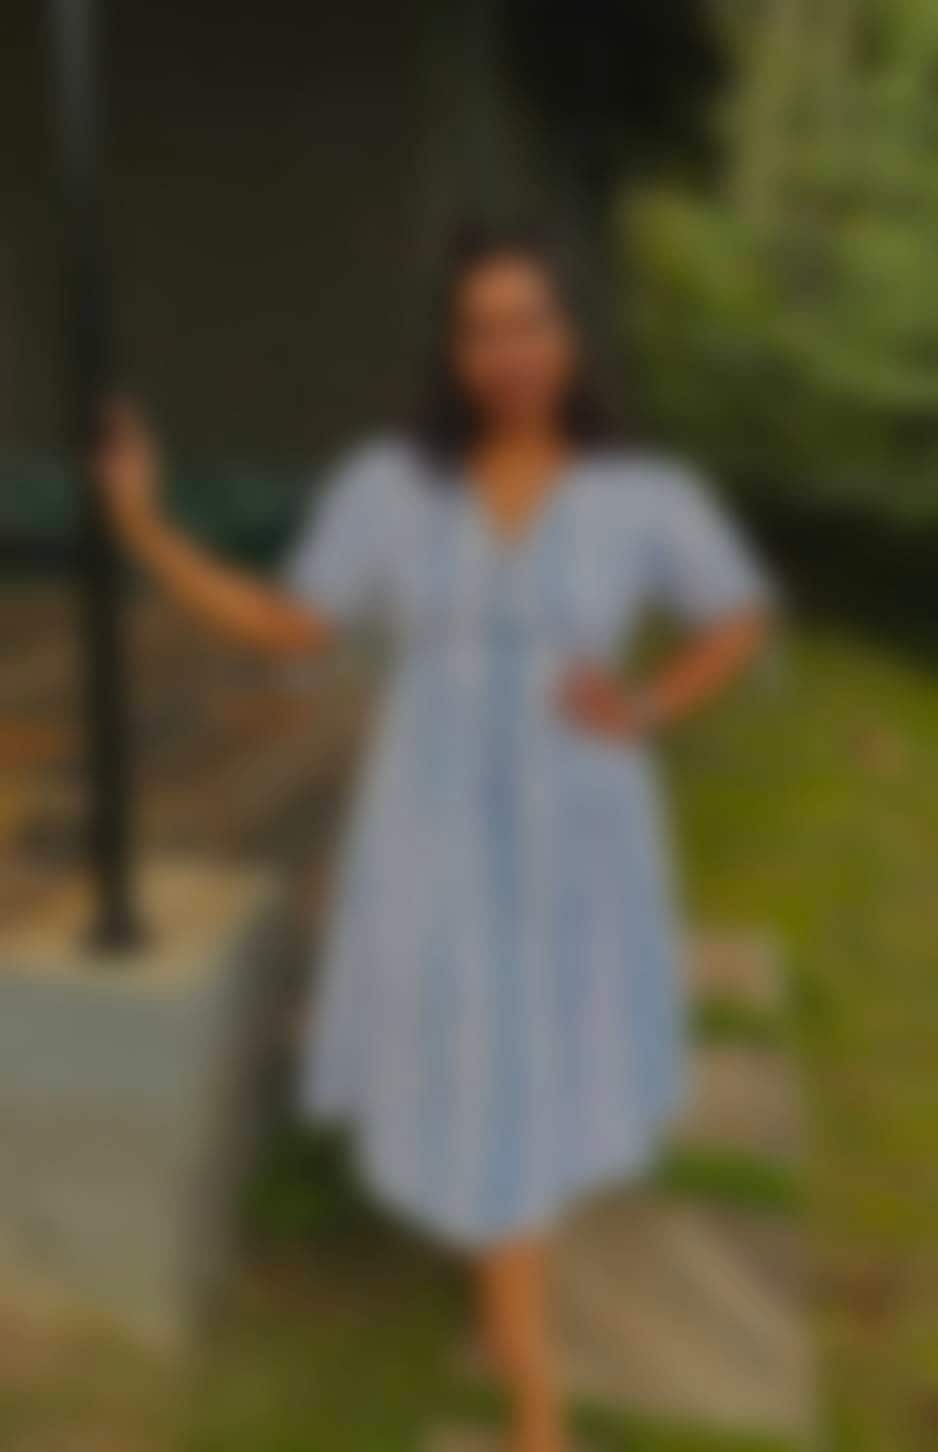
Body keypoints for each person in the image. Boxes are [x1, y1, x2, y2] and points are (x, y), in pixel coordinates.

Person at [96, 220, 775, 1452]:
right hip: (434, 828)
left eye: (529, 322)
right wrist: (146, 528)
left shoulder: (641, 496)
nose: (507, 351)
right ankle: (531, 1377)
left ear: (569, 337)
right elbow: (288, 625)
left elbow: (732, 617)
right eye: (480, 329)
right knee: (483, 1057)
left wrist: (644, 705)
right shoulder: (389, 489)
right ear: (452, 351)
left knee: (526, 1059)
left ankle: (529, 1393)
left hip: (580, 827)